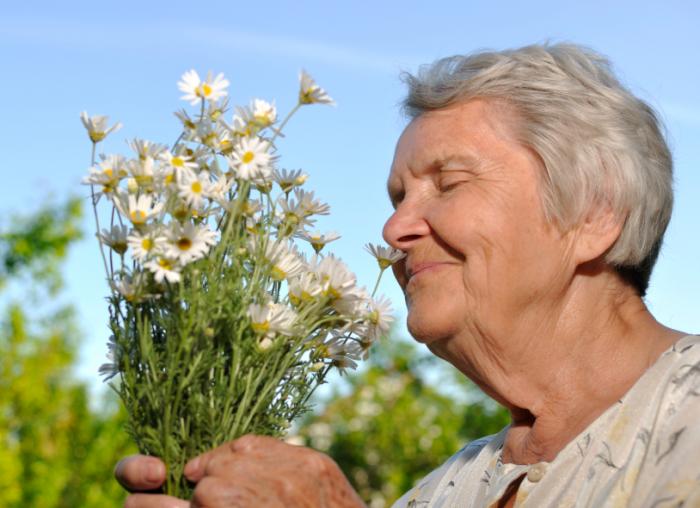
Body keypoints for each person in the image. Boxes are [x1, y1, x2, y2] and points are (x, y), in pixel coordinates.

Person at [115, 43, 700, 507]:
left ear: (594, 215)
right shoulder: (439, 493)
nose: (394, 229)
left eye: (448, 183)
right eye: (397, 196)